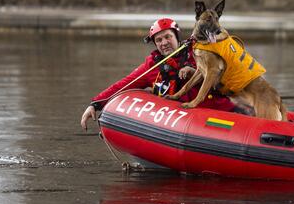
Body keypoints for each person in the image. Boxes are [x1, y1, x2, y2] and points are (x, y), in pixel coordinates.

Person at [80, 17, 238, 130]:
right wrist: (96, 104)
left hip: (221, 111)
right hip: (185, 124)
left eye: (168, 37)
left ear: (176, 37)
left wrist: (193, 72)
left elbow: (223, 69)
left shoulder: (199, 52)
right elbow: (124, 84)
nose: (164, 43)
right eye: (159, 40)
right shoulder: (152, 67)